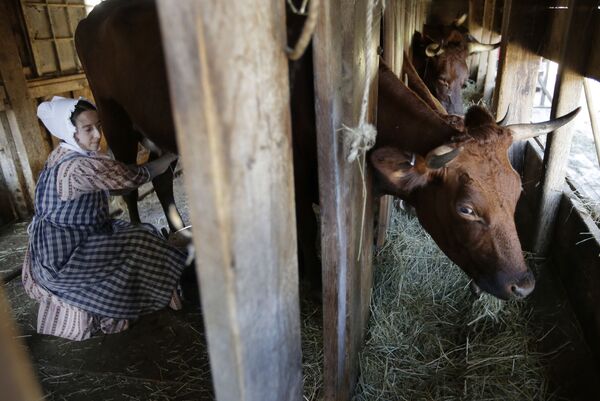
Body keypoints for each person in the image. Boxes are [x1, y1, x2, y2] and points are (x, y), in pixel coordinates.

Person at [21, 96, 187, 341]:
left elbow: (114, 183)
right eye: (88, 129)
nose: (97, 135)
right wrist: (171, 156)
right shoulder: (79, 168)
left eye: (98, 126)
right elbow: (136, 177)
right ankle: (156, 295)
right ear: (71, 131)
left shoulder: (60, 155)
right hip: (65, 257)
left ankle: (146, 287)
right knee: (143, 238)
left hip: (55, 245)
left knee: (136, 232)